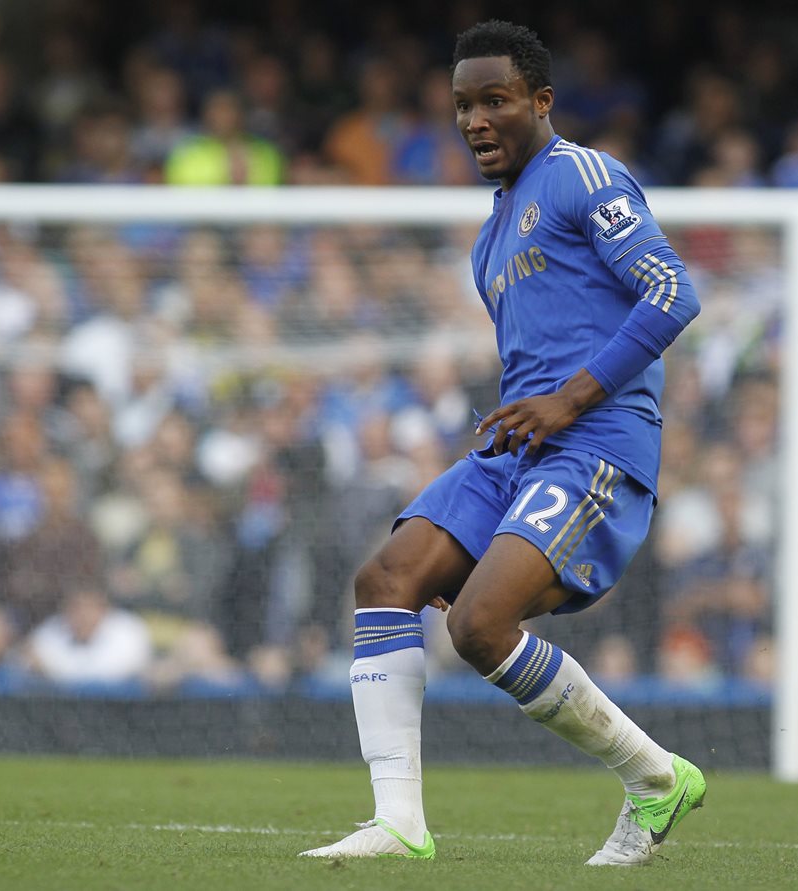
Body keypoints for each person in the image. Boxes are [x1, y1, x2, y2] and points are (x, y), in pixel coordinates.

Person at [299, 21, 704, 866]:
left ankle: (656, 777)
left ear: (540, 102)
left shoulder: (581, 175)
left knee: (481, 626)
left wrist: (572, 398)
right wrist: (537, 410)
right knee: (386, 580)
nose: (475, 120)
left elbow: (672, 290)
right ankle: (399, 820)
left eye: (495, 100)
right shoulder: (491, 238)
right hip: (519, 448)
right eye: (461, 106)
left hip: (595, 444)